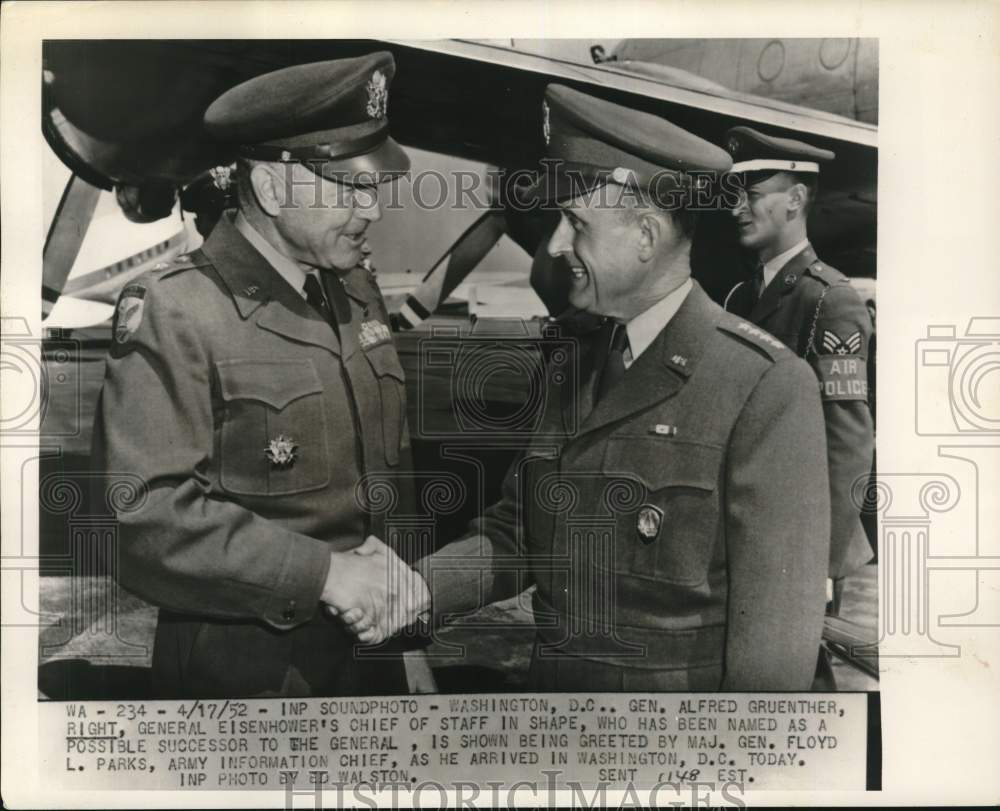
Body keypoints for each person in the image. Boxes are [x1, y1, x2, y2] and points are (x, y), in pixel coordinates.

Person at [345, 85, 832, 690]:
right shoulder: (579, 359)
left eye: (576, 223)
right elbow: (520, 532)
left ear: (647, 237)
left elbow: (772, 665)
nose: (553, 245)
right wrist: (414, 589)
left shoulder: (766, 389)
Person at [92, 53, 427, 698]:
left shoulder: (354, 291)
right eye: (352, 189)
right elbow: (141, 518)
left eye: (374, 187)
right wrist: (324, 575)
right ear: (273, 189)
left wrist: (407, 637)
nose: (374, 211)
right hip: (246, 675)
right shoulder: (177, 309)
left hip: (370, 660)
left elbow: (383, 480)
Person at [721, 126, 875, 686]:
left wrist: (822, 563)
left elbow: (849, 444)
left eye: (754, 192)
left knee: (795, 681)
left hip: (798, 542)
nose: (738, 206)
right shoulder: (741, 297)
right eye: (735, 192)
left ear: (796, 198)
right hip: (745, 532)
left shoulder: (829, 300)